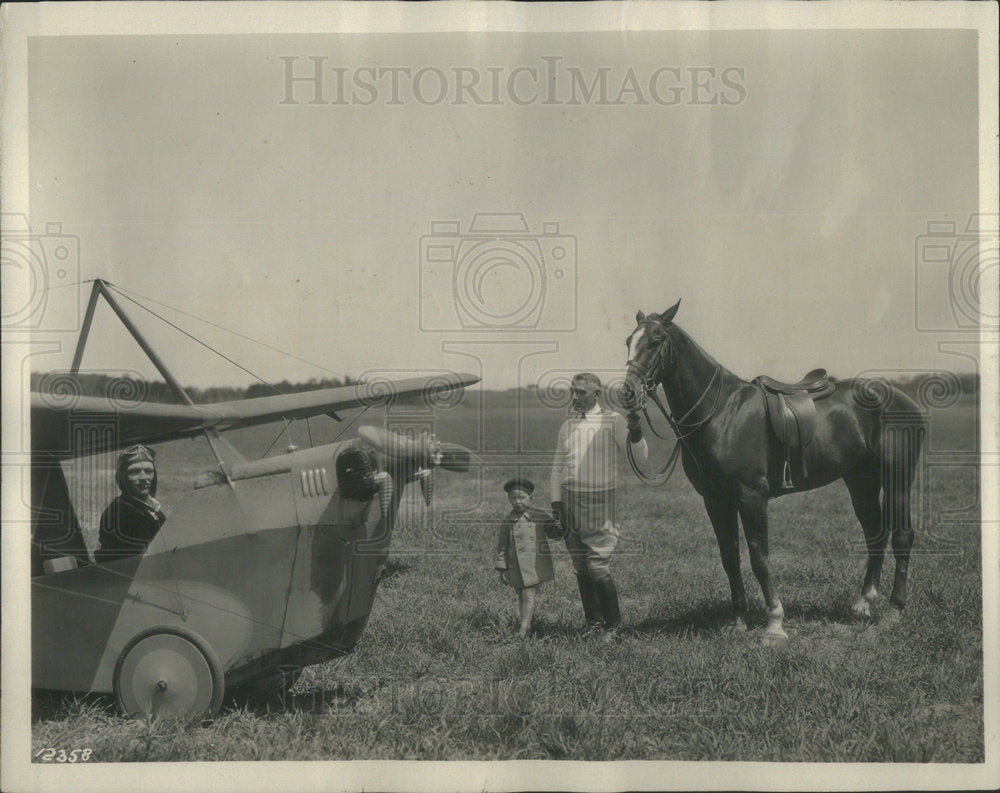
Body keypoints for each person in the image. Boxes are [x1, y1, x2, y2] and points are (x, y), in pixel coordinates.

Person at [549, 373, 647, 633]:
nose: (575, 396)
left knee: (597, 565)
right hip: (569, 499)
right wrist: (556, 506)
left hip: (600, 499)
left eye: (581, 392)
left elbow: (641, 456)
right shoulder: (567, 425)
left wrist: (636, 431)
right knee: (580, 565)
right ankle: (593, 623)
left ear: (596, 393)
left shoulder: (612, 420)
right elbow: (557, 468)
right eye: (573, 391)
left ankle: (613, 627)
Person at [495, 477, 561, 639]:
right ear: (508, 499)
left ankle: (525, 627)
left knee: (528, 594)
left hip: (534, 565)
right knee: (521, 595)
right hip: (515, 566)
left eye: (522, 497)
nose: (518, 502)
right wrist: (502, 568)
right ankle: (526, 622)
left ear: (531, 498)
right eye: (513, 498)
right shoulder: (508, 521)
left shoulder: (539, 516)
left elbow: (554, 534)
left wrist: (559, 527)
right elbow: (502, 546)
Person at [97, 444, 167, 563]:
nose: (143, 477)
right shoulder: (118, 513)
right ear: (123, 477)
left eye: (148, 471)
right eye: (134, 472)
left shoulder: (151, 507)